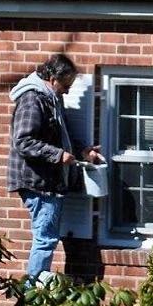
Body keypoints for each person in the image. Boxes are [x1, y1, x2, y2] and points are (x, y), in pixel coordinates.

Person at [7, 54, 103, 284]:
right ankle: (33, 294)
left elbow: (62, 133)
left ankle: (35, 290)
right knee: (45, 238)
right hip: (37, 181)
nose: (67, 92)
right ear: (52, 78)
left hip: (49, 181)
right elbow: (23, 141)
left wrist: (83, 151)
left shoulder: (51, 98)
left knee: (46, 237)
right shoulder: (32, 99)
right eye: (65, 85)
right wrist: (58, 155)